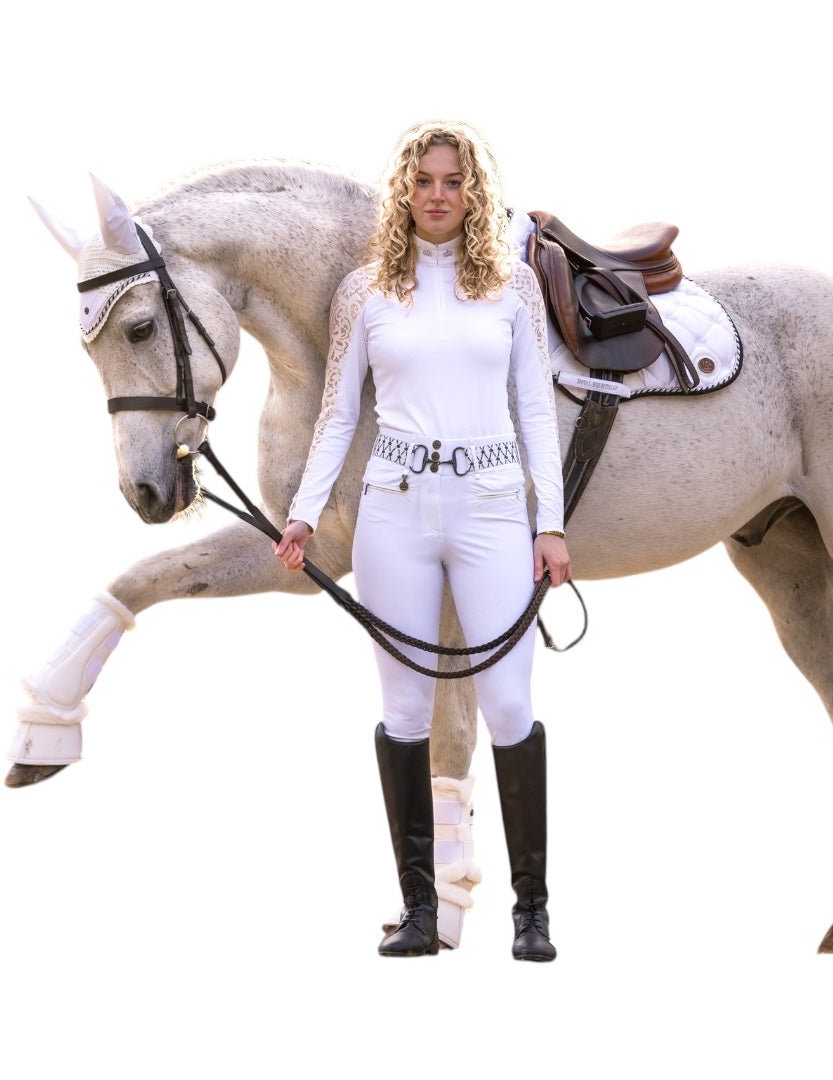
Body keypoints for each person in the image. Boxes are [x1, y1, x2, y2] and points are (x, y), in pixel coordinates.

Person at [273, 121, 570, 961]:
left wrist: (550, 523)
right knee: (404, 710)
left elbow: (536, 410)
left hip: (491, 509)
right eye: (425, 181)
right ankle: (418, 911)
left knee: (508, 707)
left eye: (453, 181)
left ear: (473, 192)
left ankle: (532, 913)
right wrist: (303, 512)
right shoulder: (365, 291)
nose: (438, 195)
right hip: (394, 512)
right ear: (405, 190)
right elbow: (338, 414)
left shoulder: (512, 287)